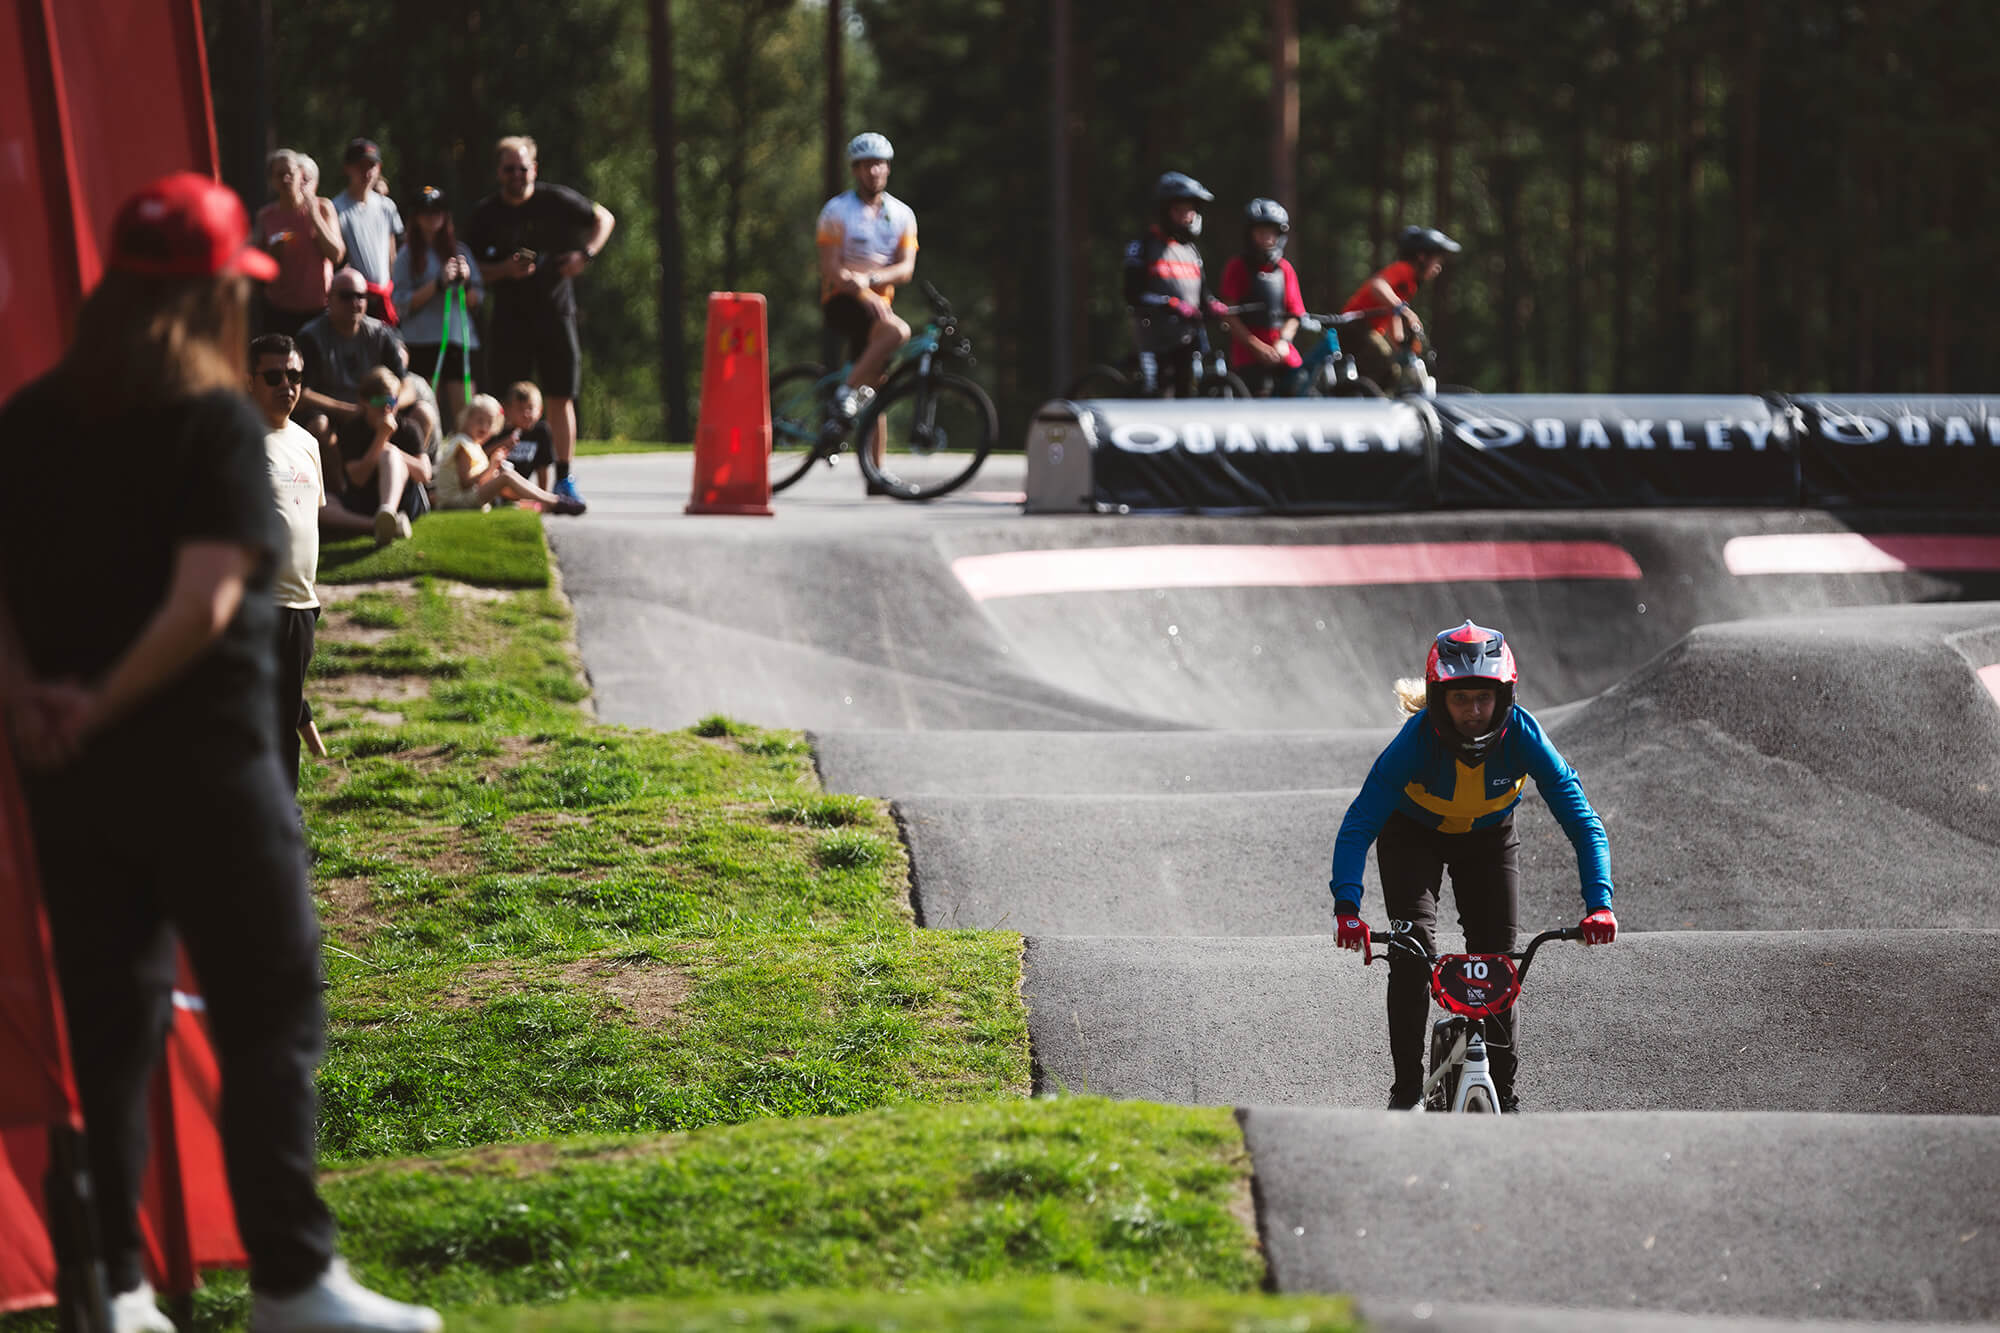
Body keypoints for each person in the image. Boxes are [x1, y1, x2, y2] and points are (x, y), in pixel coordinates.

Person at [0, 172, 442, 1333]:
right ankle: (295, 1281)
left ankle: (119, 1292)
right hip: (208, 767)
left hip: (72, 781)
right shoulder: (211, 425)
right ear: (204, 296)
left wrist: (39, 704)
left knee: (112, 1017)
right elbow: (205, 604)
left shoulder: (31, 423)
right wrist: (98, 702)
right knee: (269, 1001)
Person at [1327, 620, 1617, 1113]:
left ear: (1505, 697)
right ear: (1440, 698)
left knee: (1498, 961)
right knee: (1411, 951)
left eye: (1485, 698)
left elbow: (1584, 821)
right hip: (1412, 837)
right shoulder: (1412, 744)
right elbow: (1358, 824)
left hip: (1489, 839)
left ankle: (1503, 1093)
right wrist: (1347, 908)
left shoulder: (1525, 736)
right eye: (1461, 699)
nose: (1474, 712)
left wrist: (1600, 904)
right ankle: (1405, 1092)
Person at [465, 135, 614, 511]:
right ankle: (493, 479)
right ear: (499, 173)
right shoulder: (486, 214)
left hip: (555, 312)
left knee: (560, 396)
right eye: (509, 169)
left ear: (535, 169)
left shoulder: (556, 200)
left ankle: (564, 478)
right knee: (503, 399)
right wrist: (504, 270)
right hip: (510, 319)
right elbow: (468, 265)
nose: (517, 175)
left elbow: (604, 217)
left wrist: (586, 255)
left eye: (523, 168)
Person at [814, 131, 917, 488]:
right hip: (843, 303)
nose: (874, 171)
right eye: (867, 165)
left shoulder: (902, 215)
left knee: (878, 388)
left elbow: (905, 269)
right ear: (855, 170)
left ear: (888, 169)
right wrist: (861, 291)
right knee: (899, 332)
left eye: (880, 164)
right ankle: (844, 395)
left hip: (879, 309)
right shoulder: (837, 211)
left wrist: (872, 281)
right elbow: (831, 269)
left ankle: (876, 473)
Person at [250, 333, 326, 790]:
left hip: (301, 605)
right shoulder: (235, 439)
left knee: (283, 714)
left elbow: (309, 518)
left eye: (294, 375)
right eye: (274, 376)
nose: (287, 385)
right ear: (249, 380)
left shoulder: (306, 442)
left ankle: (281, 816)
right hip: (254, 602)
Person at [295, 267, 437, 506]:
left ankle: (414, 491)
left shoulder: (382, 333)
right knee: (319, 426)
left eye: (361, 296)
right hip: (337, 418)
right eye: (346, 296)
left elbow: (408, 385)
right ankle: (339, 495)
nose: (355, 302)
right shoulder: (311, 337)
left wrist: (384, 407)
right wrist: (348, 410)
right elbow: (301, 393)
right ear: (329, 298)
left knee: (423, 412)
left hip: (379, 413)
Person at [1121, 172, 1254, 397]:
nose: (1187, 216)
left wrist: (1213, 305)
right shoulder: (1142, 247)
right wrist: (1171, 304)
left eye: (1191, 210)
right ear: (1165, 211)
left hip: (1188, 341)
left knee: (1188, 394)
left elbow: (1203, 295)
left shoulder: (1191, 252)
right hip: (1154, 342)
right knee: (1155, 394)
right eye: (1180, 210)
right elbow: (1132, 294)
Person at [392, 185, 483, 431]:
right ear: (416, 218)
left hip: (458, 339)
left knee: (466, 410)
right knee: (426, 406)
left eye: (438, 212)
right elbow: (399, 302)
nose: (432, 218)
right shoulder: (407, 255)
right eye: (426, 212)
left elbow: (477, 299)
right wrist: (438, 284)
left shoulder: (460, 251)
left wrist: (463, 283)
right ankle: (427, 460)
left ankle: (467, 461)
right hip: (422, 341)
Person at [1340, 224, 1460, 394]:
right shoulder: (1404, 269)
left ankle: (1365, 398)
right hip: (1354, 326)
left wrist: (1403, 345)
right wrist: (1405, 311)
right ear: (1422, 256)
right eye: (1436, 261)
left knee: (1390, 370)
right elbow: (1377, 286)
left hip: (1365, 329)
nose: (1438, 267)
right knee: (1386, 367)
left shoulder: (1410, 285)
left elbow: (1392, 314)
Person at [1218, 198, 1307, 397]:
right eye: (1261, 232)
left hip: (1284, 354)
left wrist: (1283, 341)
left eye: (1271, 233)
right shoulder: (1237, 267)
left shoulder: (1285, 269)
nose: (1267, 238)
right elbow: (1228, 314)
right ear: (1250, 234)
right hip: (1248, 358)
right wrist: (1257, 348)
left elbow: (1295, 313)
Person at [434, 395, 582, 514]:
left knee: (504, 475)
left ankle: (545, 501)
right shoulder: (463, 445)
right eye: (479, 420)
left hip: (464, 497)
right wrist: (491, 468)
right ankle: (554, 501)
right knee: (506, 477)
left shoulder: (473, 444)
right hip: (455, 501)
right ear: (467, 419)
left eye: (489, 423)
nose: (484, 427)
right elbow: (465, 483)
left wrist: (494, 470)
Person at [253, 148, 344, 337]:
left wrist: (315, 218)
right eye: (279, 175)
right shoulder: (266, 216)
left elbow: (336, 255)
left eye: (290, 173)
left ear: (301, 175)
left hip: (318, 311)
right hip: (279, 311)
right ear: (271, 181)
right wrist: (273, 254)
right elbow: (256, 270)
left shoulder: (323, 207)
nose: (286, 179)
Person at [333, 138, 405, 324]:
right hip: (353, 298)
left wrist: (396, 288)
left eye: (371, 165)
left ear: (379, 168)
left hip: (385, 295)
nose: (367, 172)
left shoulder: (386, 206)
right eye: (360, 166)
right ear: (347, 168)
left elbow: (392, 254)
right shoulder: (337, 208)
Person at [497, 381, 555, 490]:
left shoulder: (541, 432)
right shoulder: (499, 430)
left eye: (530, 408)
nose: (526, 414)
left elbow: (543, 467)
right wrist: (502, 444)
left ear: (540, 410)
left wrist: (542, 494)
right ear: (508, 410)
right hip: (498, 485)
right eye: (520, 409)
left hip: (521, 488)